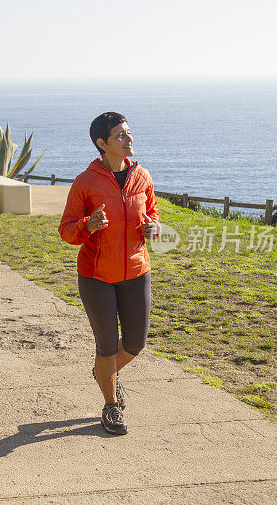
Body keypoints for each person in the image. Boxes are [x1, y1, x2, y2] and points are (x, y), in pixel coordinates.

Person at [58, 112, 160, 435]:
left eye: (128, 132)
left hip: (136, 270)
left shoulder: (142, 176)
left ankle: (105, 372)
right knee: (106, 344)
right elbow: (66, 230)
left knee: (135, 342)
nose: (128, 139)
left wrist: (153, 228)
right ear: (103, 144)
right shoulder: (85, 182)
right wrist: (87, 225)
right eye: (120, 135)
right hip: (96, 276)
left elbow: (152, 213)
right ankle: (111, 405)